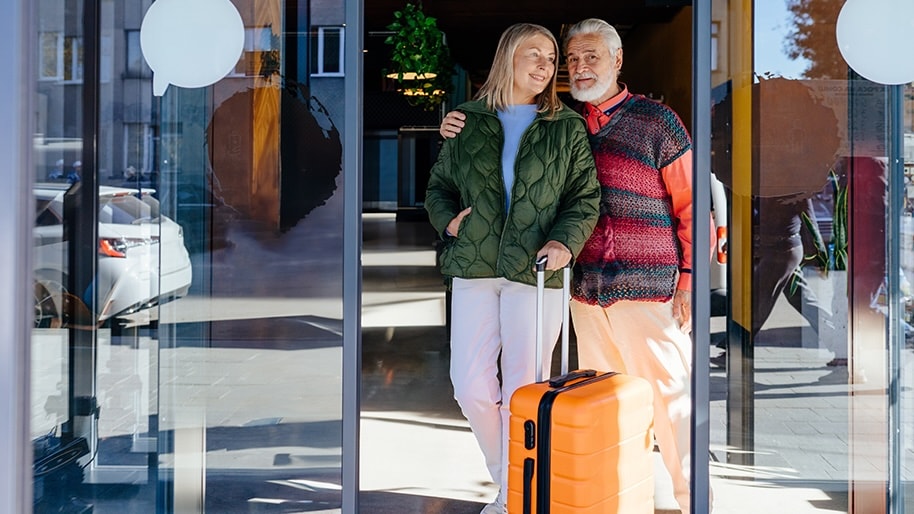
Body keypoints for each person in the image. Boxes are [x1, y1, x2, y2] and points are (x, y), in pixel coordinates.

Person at [440, 18, 713, 514]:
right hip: (586, 294)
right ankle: (619, 500)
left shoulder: (658, 121)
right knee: (610, 414)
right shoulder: (564, 122)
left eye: (591, 56)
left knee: (673, 405)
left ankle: (695, 503)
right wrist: (456, 124)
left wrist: (691, 279)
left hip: (650, 290)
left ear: (617, 60)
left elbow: (693, 205)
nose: (579, 67)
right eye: (573, 59)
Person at [424, 22, 601, 514]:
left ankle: (514, 500)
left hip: (537, 272)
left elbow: (584, 197)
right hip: (475, 266)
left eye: (551, 58)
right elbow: (437, 189)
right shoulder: (465, 121)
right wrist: (449, 222)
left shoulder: (566, 126)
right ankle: (514, 484)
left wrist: (566, 241)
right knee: (470, 385)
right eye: (535, 54)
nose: (547, 65)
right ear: (508, 57)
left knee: (525, 389)